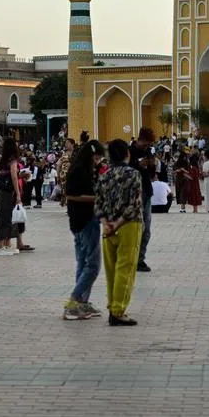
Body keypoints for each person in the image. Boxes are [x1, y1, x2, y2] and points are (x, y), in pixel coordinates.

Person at [96, 140, 143, 326]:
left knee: (111, 268)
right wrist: (118, 223)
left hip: (107, 226)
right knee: (126, 267)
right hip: (128, 224)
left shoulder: (104, 175)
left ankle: (112, 306)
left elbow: (98, 203)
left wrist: (106, 223)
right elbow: (135, 203)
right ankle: (118, 310)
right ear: (127, 154)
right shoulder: (133, 174)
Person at [63, 140, 103, 321]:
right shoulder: (78, 170)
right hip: (85, 220)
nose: (97, 161)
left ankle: (82, 302)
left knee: (82, 262)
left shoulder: (81, 169)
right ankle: (73, 301)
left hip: (79, 220)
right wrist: (96, 198)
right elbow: (71, 195)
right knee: (93, 265)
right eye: (96, 157)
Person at [130, 128, 156, 272]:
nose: (147, 147)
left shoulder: (147, 152)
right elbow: (124, 169)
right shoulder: (129, 152)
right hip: (134, 193)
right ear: (140, 139)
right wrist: (137, 165)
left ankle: (140, 259)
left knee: (146, 230)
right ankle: (132, 258)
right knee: (138, 227)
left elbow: (151, 175)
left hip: (146, 191)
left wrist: (152, 165)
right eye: (145, 144)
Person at [0, 138, 22, 256]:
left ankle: (5, 244)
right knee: (7, 217)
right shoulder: (13, 160)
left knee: (2, 216)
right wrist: (18, 193)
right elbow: (14, 177)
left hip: (1, 191)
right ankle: (1, 246)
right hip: (9, 192)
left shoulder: (2, 159)